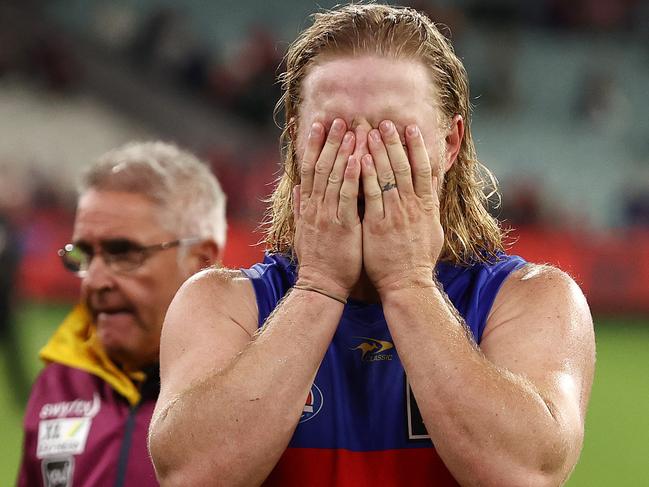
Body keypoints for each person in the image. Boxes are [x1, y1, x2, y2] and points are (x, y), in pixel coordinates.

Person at [148, 4, 595, 487]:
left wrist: (408, 283)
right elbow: (189, 475)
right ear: (296, 143)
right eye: (336, 132)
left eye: (393, 133)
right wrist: (319, 286)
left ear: (450, 143)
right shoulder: (219, 305)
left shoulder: (535, 301)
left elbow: (523, 473)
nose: (363, 161)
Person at [18, 141, 226, 487]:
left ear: (201, 263)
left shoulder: (255, 389)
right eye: (85, 254)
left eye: (123, 252)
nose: (95, 281)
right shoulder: (58, 385)